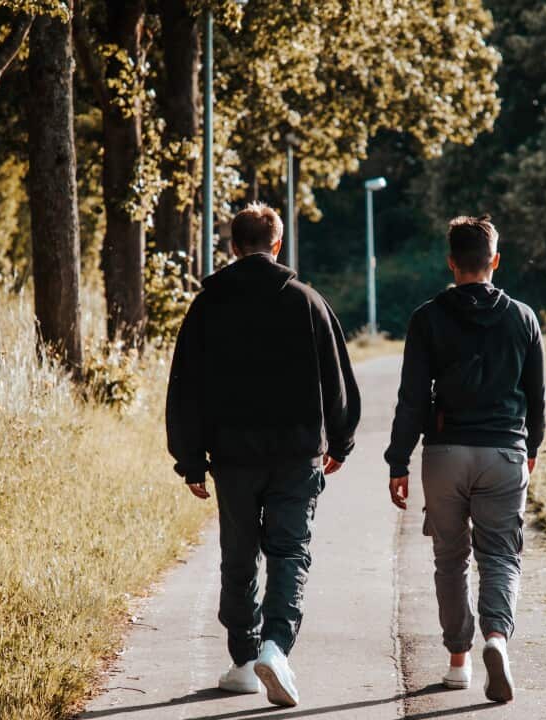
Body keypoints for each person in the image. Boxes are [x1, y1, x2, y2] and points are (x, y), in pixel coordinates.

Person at [166, 202, 361, 708]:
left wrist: (189, 459)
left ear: (233, 246)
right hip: (296, 455)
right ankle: (276, 646)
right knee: (290, 551)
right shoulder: (306, 301)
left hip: (232, 457)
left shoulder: (207, 307)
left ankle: (242, 660)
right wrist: (339, 442)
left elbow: (185, 387)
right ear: (277, 245)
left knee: (239, 554)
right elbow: (337, 381)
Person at [384, 214, 546, 703]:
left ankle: (459, 662)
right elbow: (536, 396)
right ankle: (496, 636)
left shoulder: (427, 317)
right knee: (499, 555)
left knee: (449, 560)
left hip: (445, 454)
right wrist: (531, 448)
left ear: (451, 262)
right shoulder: (523, 318)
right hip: (503, 451)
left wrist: (398, 462)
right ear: (495, 261)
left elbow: (411, 398)